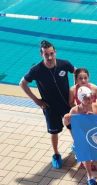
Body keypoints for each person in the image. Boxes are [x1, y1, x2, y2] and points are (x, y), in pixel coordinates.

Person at [19, 40, 75, 169]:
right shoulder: (36, 70)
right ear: (41, 55)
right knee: (54, 132)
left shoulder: (64, 64)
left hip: (66, 103)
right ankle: (56, 154)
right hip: (50, 107)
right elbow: (22, 83)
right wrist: (36, 100)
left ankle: (76, 146)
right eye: (46, 54)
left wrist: (74, 90)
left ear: (55, 52)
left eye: (51, 53)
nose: (49, 57)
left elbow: (77, 72)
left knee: (73, 127)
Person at [63, 86, 97, 185]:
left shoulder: (96, 107)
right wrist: (65, 119)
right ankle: (90, 176)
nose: (90, 100)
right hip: (84, 139)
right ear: (81, 99)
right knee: (86, 158)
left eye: (91, 97)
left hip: (96, 136)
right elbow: (68, 125)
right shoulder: (75, 111)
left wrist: (93, 118)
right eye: (86, 98)